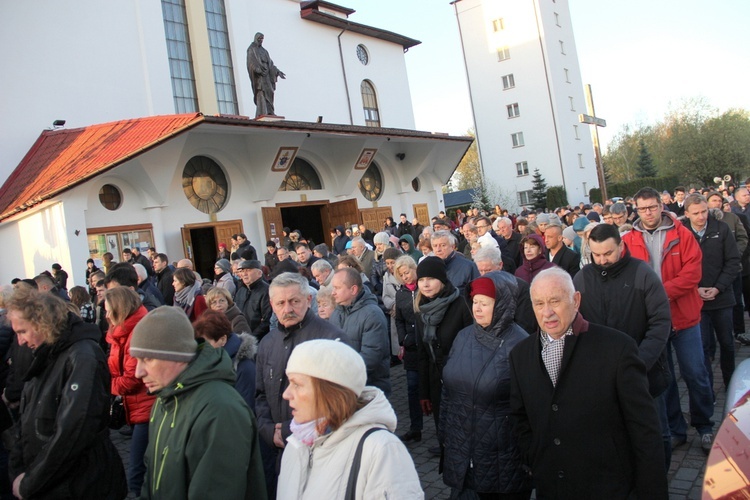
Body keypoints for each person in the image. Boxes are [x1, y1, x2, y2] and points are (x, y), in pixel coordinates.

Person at [509, 268, 667, 499]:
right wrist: (535, 456)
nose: (547, 312)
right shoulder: (520, 355)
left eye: (555, 301)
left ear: (576, 300)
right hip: (552, 487)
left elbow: (644, 429)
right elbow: (519, 416)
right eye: (539, 304)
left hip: (608, 488)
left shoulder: (617, 348)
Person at [130, 307, 267, 499]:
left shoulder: (220, 409)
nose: (138, 372)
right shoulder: (165, 399)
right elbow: (153, 476)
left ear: (178, 356)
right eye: (136, 360)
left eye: (148, 359)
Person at [6, 288, 126, 499]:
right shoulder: (46, 356)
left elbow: (73, 431)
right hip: (54, 482)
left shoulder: (81, 357)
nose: (20, 341)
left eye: (22, 332)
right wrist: (18, 471)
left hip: (81, 485)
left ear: (42, 323)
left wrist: (30, 482)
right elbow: (26, 422)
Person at [622, 187, 715, 454]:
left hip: (685, 318)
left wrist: (660, 293)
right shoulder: (628, 240)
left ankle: (705, 425)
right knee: (665, 379)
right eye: (642, 209)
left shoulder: (682, 235)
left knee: (696, 373)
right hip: (653, 322)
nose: (648, 213)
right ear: (635, 210)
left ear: (661, 207)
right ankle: (676, 429)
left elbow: (692, 273)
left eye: (652, 207)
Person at [573, 223, 672, 469]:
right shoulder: (582, 278)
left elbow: (660, 323)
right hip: (601, 376)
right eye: (596, 254)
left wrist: (638, 363)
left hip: (644, 372)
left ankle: (659, 481)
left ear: (621, 246)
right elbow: (572, 324)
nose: (603, 260)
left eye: (608, 253)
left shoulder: (643, 273)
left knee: (656, 433)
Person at [277, 339, 423, 499]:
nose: (286, 394)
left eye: (296, 384)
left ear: (331, 393)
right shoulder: (296, 444)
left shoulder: (381, 450)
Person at [255, 273, 347, 499]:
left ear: (308, 299)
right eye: (280, 303)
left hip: (323, 456)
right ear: (272, 305)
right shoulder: (267, 343)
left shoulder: (331, 339)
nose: (288, 308)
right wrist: (268, 429)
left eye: (294, 301)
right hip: (281, 453)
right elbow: (260, 394)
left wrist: (288, 430)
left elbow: (341, 404)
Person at [440, 273, 532, 499]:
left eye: (485, 303)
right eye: (475, 301)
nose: (477, 308)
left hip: (501, 456)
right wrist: (444, 436)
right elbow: (447, 392)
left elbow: (530, 408)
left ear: (502, 305)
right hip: (461, 447)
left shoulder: (521, 345)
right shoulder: (463, 336)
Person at [682, 193, 741, 396]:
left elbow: (733, 261)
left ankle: (731, 383)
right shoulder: (681, 234)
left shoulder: (722, 229)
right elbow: (680, 268)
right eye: (696, 213)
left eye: (704, 211)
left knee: (727, 342)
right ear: (687, 213)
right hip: (695, 299)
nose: (701, 216)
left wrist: (718, 287)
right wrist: (694, 288)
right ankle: (708, 391)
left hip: (722, 297)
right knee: (703, 348)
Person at [415, 256, 473, 455]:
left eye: (430, 279)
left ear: (442, 280)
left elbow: (471, 346)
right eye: (422, 280)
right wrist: (424, 393)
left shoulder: (460, 304)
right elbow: (422, 354)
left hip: (460, 380)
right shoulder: (421, 310)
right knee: (444, 429)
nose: (426, 284)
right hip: (436, 380)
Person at [104, 286, 154, 495]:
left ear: (120, 308)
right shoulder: (121, 331)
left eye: (108, 309)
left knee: (136, 470)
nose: (106, 314)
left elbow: (131, 379)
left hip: (146, 406)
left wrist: (107, 385)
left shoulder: (138, 331)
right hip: (135, 405)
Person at [330, 268, 391, 396]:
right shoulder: (337, 313)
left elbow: (371, 357)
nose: (333, 292)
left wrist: (339, 374)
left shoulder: (372, 314)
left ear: (353, 290)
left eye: (337, 288)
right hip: (344, 388)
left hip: (369, 390)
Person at [193, 310, 258, 411]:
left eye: (207, 343)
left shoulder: (243, 367)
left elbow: (246, 409)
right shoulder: (210, 362)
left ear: (223, 339)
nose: (202, 348)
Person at [393, 255, 422, 443]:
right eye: (401, 274)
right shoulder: (401, 293)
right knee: (412, 388)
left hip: (426, 345)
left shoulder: (424, 288)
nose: (405, 277)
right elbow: (399, 319)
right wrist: (403, 338)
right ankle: (415, 428)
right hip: (411, 347)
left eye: (407, 272)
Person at [247, 32, 285, 117]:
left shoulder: (264, 51)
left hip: (267, 74)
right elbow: (251, 62)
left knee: (270, 91)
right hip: (259, 76)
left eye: (262, 39)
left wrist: (278, 71)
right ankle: (262, 112)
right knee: (261, 93)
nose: (261, 40)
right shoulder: (251, 49)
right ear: (256, 38)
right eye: (259, 38)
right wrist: (257, 69)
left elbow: (271, 64)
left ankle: (270, 111)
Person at [234, 260, 272, 340]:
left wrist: (251, 337)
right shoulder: (241, 291)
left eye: (248, 270)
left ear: (259, 273)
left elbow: (267, 320)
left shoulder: (267, 291)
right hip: (240, 337)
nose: (244, 274)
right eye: (242, 271)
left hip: (259, 339)